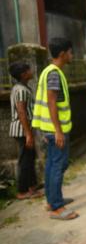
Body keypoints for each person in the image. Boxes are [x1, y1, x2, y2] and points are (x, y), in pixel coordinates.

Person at [32, 37, 78, 220]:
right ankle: (57, 207)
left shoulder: (49, 71)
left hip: (49, 129)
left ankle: (52, 200)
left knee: (53, 164)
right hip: (55, 130)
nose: (72, 55)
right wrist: (58, 131)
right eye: (70, 52)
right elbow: (52, 103)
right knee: (58, 165)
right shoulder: (53, 74)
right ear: (62, 54)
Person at [8, 62, 43, 200]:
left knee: (30, 157)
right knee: (25, 160)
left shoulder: (22, 88)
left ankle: (32, 186)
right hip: (22, 130)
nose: (31, 71)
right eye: (29, 70)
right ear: (23, 74)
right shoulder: (20, 90)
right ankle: (22, 191)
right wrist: (28, 134)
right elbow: (21, 112)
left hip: (26, 129)